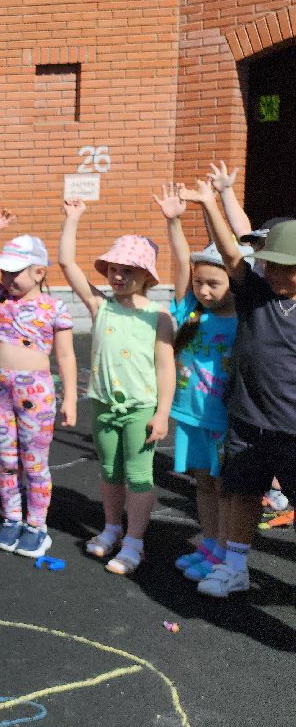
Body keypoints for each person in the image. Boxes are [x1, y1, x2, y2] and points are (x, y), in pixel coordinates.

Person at [182, 182, 296, 597]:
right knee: (240, 494)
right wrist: (210, 203)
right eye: (272, 265)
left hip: (291, 430)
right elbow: (232, 253)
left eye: (288, 267)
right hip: (248, 422)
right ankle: (234, 568)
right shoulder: (254, 294)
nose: (277, 273)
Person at [58, 199, 175, 576]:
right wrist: (72, 219)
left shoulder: (159, 317)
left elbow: (166, 368)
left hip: (140, 408)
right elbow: (66, 264)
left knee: (139, 476)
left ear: (146, 276)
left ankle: (135, 543)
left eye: (128, 270)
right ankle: (111, 528)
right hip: (104, 404)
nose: (118, 276)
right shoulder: (101, 306)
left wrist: (162, 413)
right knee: (109, 471)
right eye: (113, 269)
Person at [0, 214, 77, 558]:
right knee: (7, 460)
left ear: (39, 272)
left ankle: (36, 526)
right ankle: (12, 518)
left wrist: (70, 398)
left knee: (34, 462)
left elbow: (67, 357)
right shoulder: (0, 298)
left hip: (36, 393)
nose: (8, 278)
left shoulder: (53, 307)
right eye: (5, 272)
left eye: (16, 272)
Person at [154, 182, 241, 585]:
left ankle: (224, 547)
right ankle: (209, 543)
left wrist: (213, 204)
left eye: (214, 284)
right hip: (192, 414)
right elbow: (179, 262)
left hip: (224, 419)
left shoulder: (242, 317)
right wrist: (173, 222)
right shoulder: (191, 311)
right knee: (204, 484)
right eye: (200, 282)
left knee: (225, 487)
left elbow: (236, 249)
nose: (204, 290)